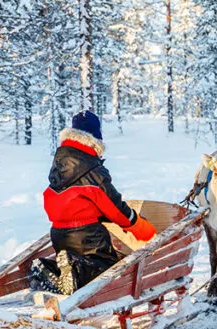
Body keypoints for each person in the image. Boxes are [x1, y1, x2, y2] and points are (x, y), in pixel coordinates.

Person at [31, 110, 156, 294]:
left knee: (77, 265)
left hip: (59, 235)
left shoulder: (60, 163)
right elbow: (115, 207)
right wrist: (138, 226)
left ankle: (47, 268)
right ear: (95, 138)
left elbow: (70, 201)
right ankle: (75, 272)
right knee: (107, 270)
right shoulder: (92, 168)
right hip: (87, 236)